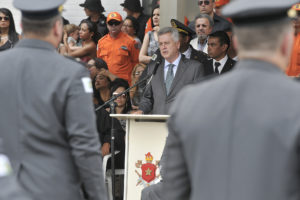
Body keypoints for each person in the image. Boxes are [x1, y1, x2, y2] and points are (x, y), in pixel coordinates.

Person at [162, 0, 299, 200]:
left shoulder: (189, 102)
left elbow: (173, 189)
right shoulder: (295, 102)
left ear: (235, 43)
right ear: (287, 43)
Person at [0, 0, 108, 200]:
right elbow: (84, 145)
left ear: (21, 25)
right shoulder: (72, 74)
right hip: (53, 189)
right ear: (58, 28)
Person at [135, 27, 204, 115]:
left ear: (177, 44)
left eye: (167, 43)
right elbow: (147, 98)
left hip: (182, 123)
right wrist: (142, 110)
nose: (163, 47)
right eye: (160, 44)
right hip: (157, 124)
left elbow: (199, 99)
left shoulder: (194, 68)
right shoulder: (153, 67)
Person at [97, 12, 139, 84]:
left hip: (124, 83)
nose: (113, 26)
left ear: (121, 23)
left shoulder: (131, 42)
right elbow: (99, 64)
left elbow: (136, 64)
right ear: (107, 25)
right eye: (110, 23)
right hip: (107, 82)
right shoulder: (101, 42)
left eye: (116, 23)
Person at [286, 3, 300, 76]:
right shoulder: (283, 39)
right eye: (294, 15)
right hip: (282, 82)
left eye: (299, 14)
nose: (296, 18)